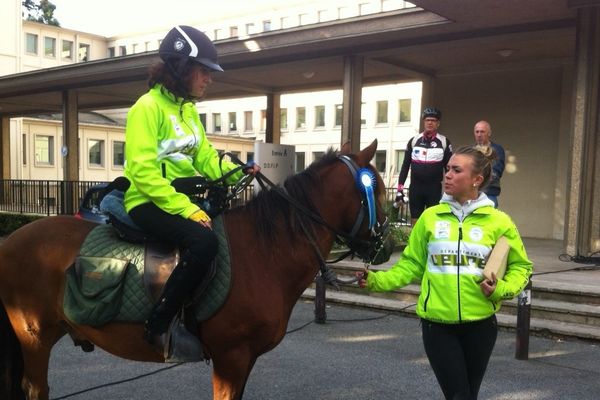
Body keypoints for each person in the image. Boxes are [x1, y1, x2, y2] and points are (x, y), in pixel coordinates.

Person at [123, 25, 260, 352]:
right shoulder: (146, 107)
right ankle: (159, 323)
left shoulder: (188, 111)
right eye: (203, 71)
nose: (208, 79)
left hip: (181, 199)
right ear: (181, 69)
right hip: (146, 200)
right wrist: (188, 210)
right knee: (203, 242)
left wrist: (236, 171)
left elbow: (206, 157)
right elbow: (142, 171)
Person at [359, 146, 532, 400]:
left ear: (477, 180)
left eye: (456, 170)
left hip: (481, 326)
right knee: (459, 395)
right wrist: (376, 280)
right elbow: (411, 265)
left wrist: (501, 289)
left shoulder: (499, 222)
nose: (447, 175)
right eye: (447, 169)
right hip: (438, 327)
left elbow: (521, 267)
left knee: (468, 395)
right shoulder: (430, 218)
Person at [396, 107, 452, 225]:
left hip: (434, 189)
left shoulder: (444, 142)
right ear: (424, 122)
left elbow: (449, 169)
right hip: (416, 188)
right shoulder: (414, 141)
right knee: (415, 222)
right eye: (427, 120)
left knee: (433, 221)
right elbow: (405, 166)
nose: (430, 123)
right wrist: (399, 190)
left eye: (433, 120)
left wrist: (450, 190)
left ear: (438, 123)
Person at [473, 120, 505, 207]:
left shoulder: (497, 149)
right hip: (472, 193)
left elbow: (496, 172)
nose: (479, 134)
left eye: (482, 131)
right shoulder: (471, 151)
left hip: (489, 192)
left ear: (489, 133)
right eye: (477, 132)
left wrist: (475, 177)